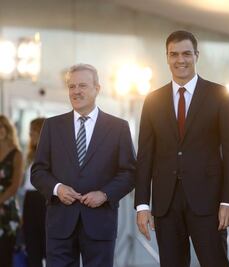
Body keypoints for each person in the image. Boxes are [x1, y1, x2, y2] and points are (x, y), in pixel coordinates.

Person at [135, 30, 229, 267]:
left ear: (196, 55)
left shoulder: (220, 95)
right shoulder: (152, 100)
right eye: (174, 54)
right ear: (166, 57)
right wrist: (142, 204)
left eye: (186, 53)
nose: (180, 60)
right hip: (166, 204)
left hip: (209, 203)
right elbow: (145, 156)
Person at [31, 63, 136, 267]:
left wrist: (104, 194)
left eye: (82, 86)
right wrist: (57, 188)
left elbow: (129, 173)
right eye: (72, 87)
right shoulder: (52, 126)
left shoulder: (118, 128)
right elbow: (38, 171)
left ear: (97, 89)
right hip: (60, 223)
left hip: (100, 223)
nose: (76, 91)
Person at [0, 115, 24, 267]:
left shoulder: (17, 155)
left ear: (7, 129)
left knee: (5, 256)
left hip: (7, 212)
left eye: (1, 126)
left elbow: (15, 186)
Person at [22, 117, 46, 267]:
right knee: (31, 242)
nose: (30, 134)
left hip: (43, 198)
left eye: (33, 131)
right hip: (29, 198)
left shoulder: (52, 152)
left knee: (45, 242)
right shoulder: (30, 154)